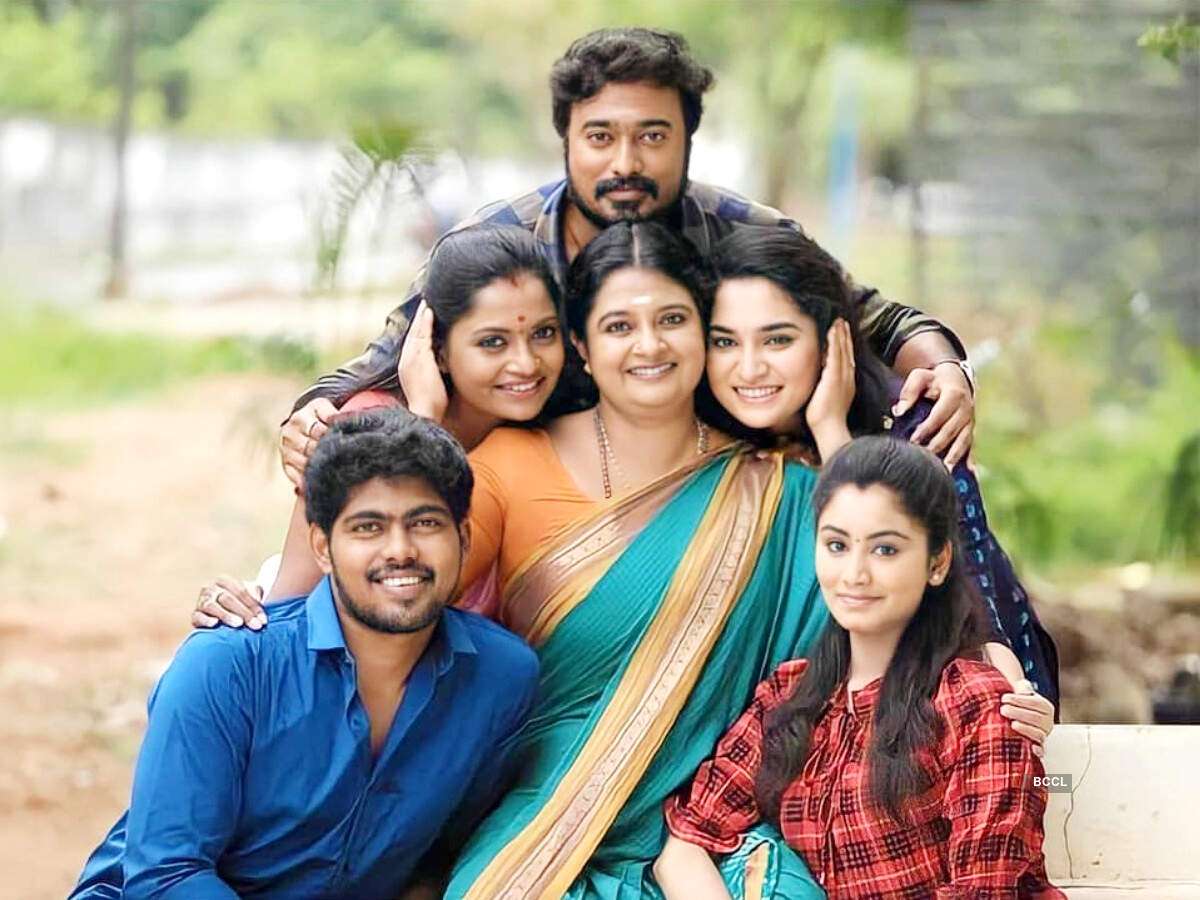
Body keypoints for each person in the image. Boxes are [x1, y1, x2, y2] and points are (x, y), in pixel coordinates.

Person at [198, 224, 1053, 898]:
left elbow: (880, 608)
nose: (649, 346)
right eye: (618, 325)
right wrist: (422, 419)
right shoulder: (511, 464)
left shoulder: (780, 489)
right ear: (579, 345)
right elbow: (393, 602)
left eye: (673, 320)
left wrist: (832, 432)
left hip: (716, 825)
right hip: (546, 814)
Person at [280, 26, 979, 493]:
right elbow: (383, 362)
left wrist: (947, 370)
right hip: (533, 492)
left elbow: (880, 319)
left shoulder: (735, 229)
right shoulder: (500, 241)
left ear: (687, 141)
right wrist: (312, 414)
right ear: (566, 140)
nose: (625, 163)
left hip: (719, 480)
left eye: (652, 136)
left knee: (908, 403)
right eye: (600, 137)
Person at [71, 409, 540, 899]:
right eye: (368, 527)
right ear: (322, 546)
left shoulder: (500, 679)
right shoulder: (227, 664)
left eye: (424, 523)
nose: (400, 550)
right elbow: (167, 875)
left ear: (463, 538)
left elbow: (438, 862)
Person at [656, 436, 1065, 899]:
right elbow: (687, 841)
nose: (854, 574)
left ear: (937, 563)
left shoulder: (973, 702)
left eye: (885, 549)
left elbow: (984, 891)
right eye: (836, 545)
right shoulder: (790, 697)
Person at [701, 226, 1060, 705]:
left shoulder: (914, 423)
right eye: (725, 343)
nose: (749, 368)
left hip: (926, 703)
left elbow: (970, 608)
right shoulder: (700, 439)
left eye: (777, 340)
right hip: (771, 711)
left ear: (832, 338)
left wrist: (831, 434)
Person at [194, 223, 568, 628]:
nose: (526, 363)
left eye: (543, 333)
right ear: (437, 348)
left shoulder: (556, 437)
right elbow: (289, 608)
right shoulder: (362, 428)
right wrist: (423, 421)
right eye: (492, 342)